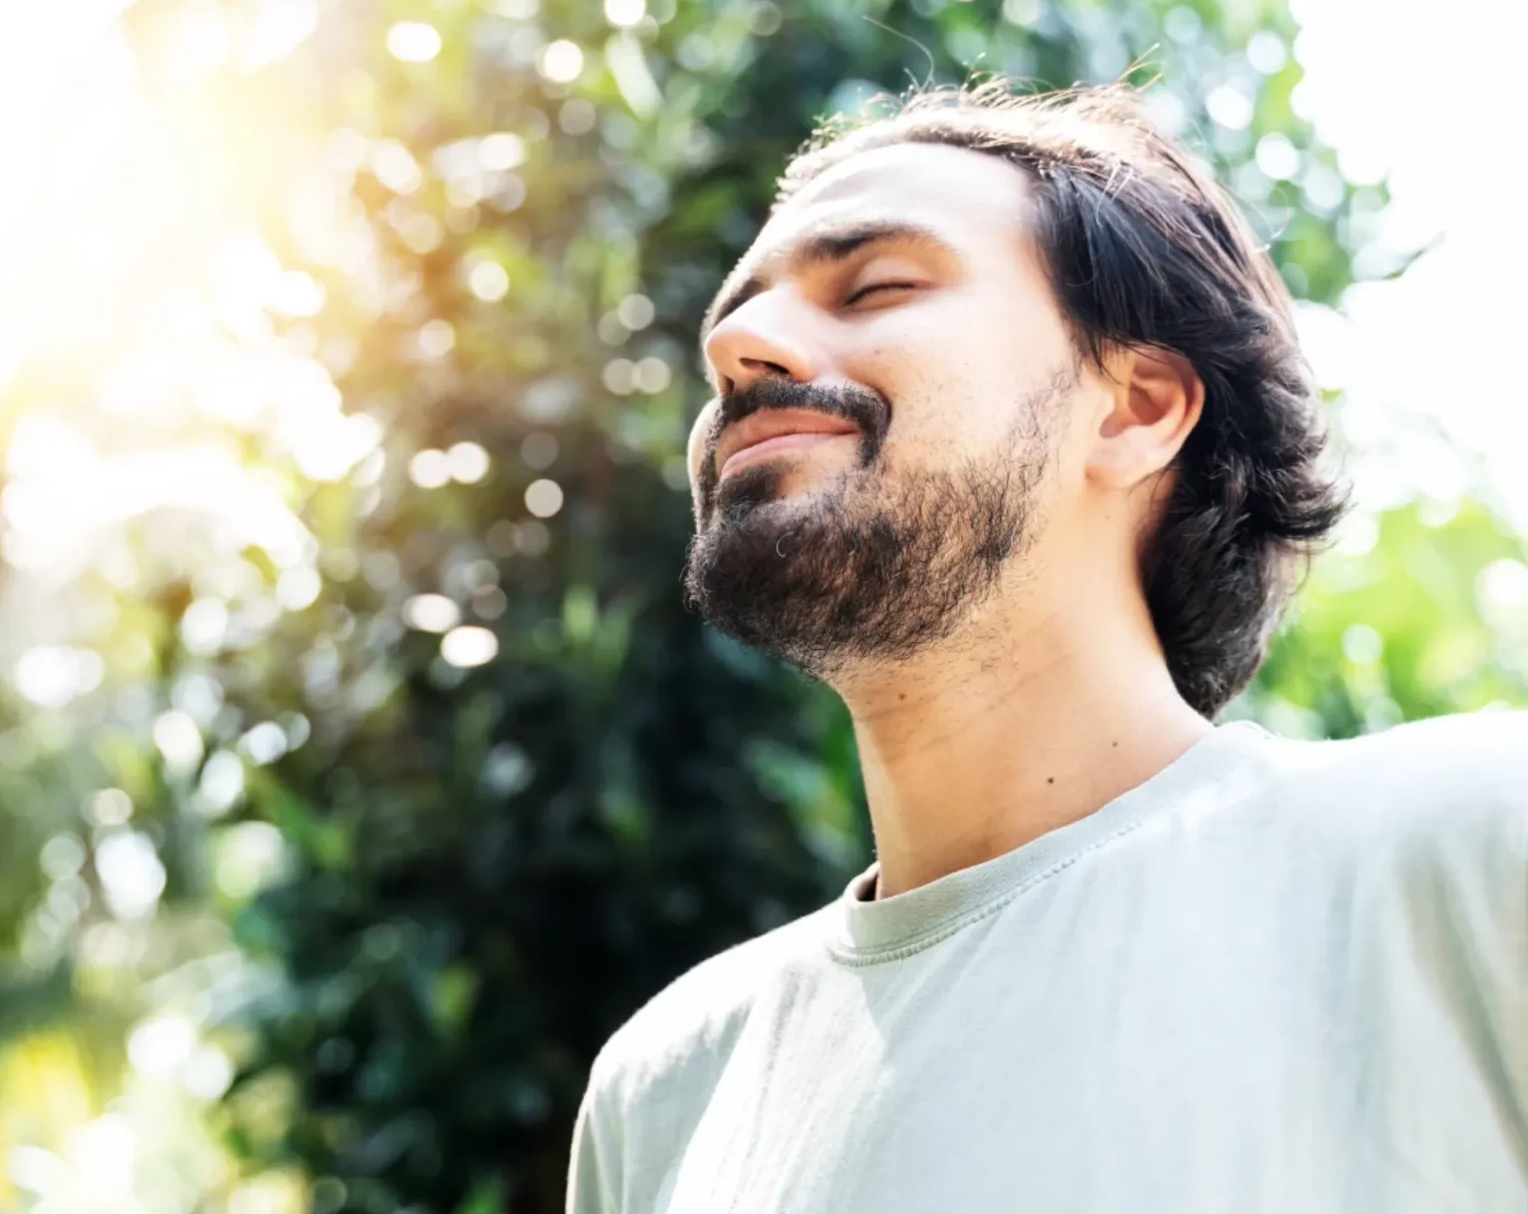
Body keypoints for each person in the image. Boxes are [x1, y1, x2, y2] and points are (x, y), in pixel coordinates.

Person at [564, 82, 1528, 1213]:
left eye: (876, 284)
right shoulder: (665, 1086)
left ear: (1135, 408)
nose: (733, 343)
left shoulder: (1471, 841)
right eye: (733, 322)